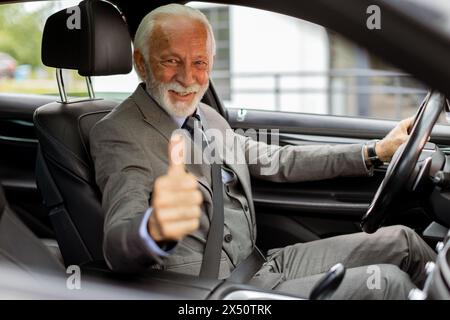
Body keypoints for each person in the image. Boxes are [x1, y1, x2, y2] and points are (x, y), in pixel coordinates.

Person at [89, 4, 436, 299]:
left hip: (262, 264)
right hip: (216, 292)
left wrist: (374, 152)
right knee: (389, 284)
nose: (187, 77)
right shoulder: (118, 132)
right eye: (171, 61)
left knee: (404, 241)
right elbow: (118, 241)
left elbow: (280, 160)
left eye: (199, 63)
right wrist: (154, 228)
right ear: (141, 61)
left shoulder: (207, 116)